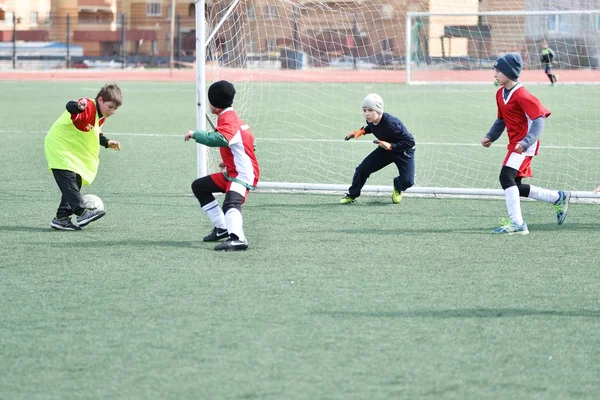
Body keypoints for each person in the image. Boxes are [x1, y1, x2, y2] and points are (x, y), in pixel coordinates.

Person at [481, 53, 570, 235]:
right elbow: (501, 120)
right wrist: (491, 136)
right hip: (515, 144)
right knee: (516, 186)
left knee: (505, 177)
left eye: (498, 71)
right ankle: (557, 197)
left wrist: (527, 141)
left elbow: (539, 119)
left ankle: (518, 223)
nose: (495, 74)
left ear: (508, 72)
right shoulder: (500, 94)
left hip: (525, 145)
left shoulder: (522, 94)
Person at [184, 80, 259, 251]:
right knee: (200, 187)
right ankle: (222, 228)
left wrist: (196, 134)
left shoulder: (228, 120)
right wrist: (228, 161)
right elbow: (250, 142)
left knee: (231, 204)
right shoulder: (231, 117)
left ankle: (238, 239)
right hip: (233, 172)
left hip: (242, 175)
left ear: (214, 103)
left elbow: (221, 139)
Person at [44, 83, 123, 231]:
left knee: (76, 180)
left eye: (115, 108)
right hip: (59, 147)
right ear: (100, 100)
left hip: (72, 150)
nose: (112, 111)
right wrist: (78, 106)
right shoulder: (88, 106)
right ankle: (82, 212)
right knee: (69, 180)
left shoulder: (100, 116)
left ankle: (61, 218)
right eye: (110, 106)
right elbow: (72, 106)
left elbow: (95, 132)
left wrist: (106, 142)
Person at [340, 93, 415, 204]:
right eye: (364, 110)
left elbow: (410, 142)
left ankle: (398, 186)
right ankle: (352, 195)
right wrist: (362, 131)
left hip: (403, 150)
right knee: (362, 169)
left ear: (379, 110)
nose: (366, 114)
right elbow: (373, 126)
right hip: (385, 149)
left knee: (408, 181)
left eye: (370, 110)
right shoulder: (371, 120)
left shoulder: (392, 123)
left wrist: (391, 146)